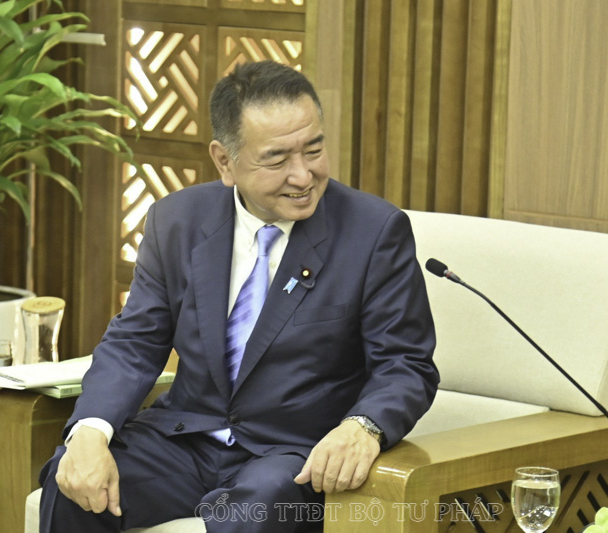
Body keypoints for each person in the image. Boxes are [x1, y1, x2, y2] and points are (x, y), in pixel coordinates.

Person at [38, 60, 438, 532]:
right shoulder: (177, 220)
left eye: (314, 150)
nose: (303, 175)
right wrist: (90, 430)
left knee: (255, 506)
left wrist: (363, 427)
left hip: (292, 456)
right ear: (225, 161)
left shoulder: (373, 232)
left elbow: (406, 364)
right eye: (277, 159)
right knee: (72, 484)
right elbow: (135, 342)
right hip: (185, 439)